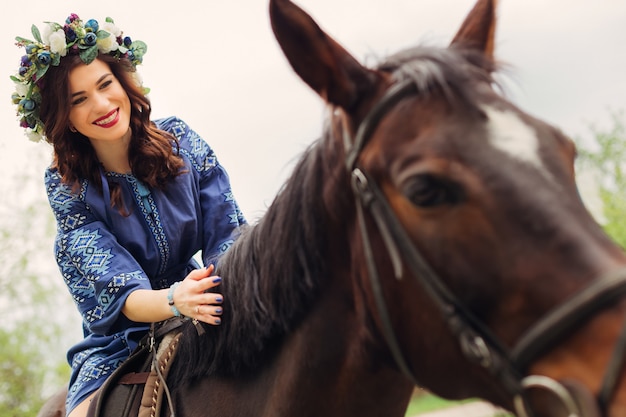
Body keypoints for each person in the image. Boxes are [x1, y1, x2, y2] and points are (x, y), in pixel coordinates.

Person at [11, 14, 246, 417]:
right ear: (62, 118)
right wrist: (176, 299)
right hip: (120, 339)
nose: (101, 105)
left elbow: (228, 232)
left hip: (206, 296)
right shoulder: (67, 189)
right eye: (78, 100)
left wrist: (219, 288)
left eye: (105, 85)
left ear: (123, 83)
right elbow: (122, 291)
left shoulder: (182, 141)